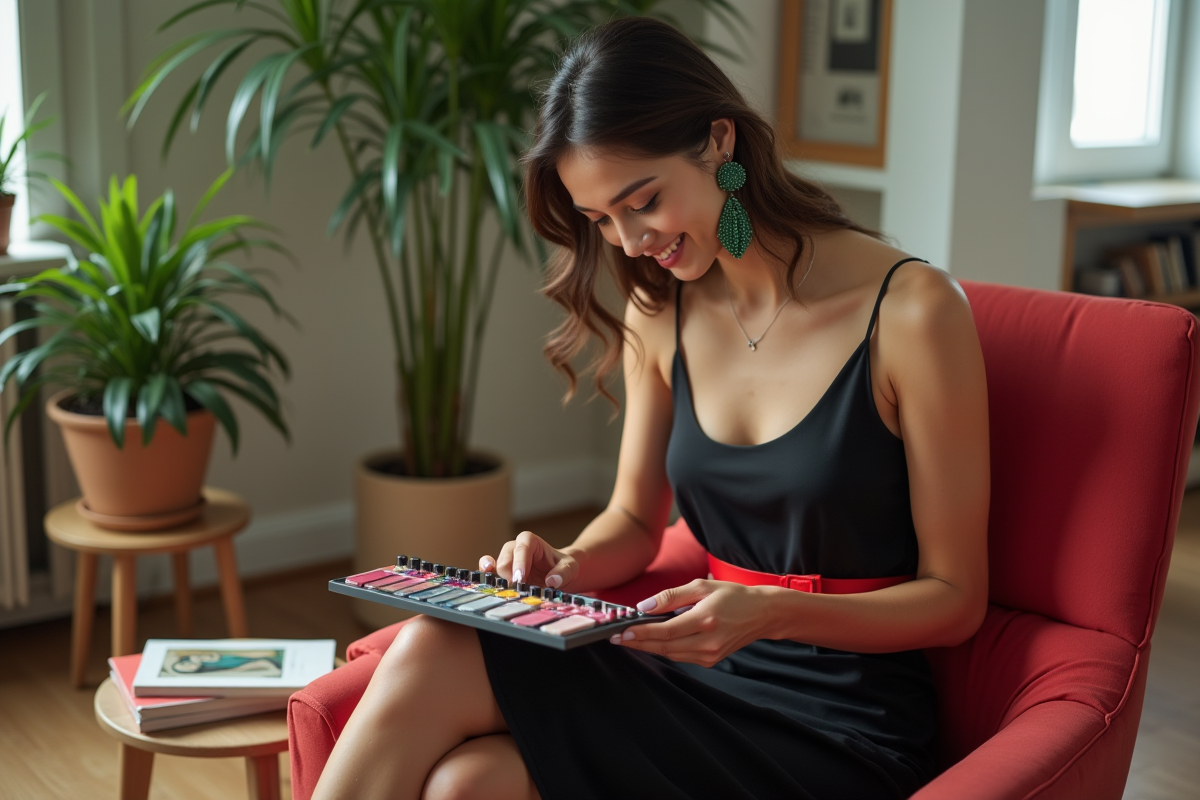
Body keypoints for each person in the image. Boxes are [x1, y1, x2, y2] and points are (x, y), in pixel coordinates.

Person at [314, 16, 989, 800]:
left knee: (439, 649)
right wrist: (563, 565)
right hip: (696, 677)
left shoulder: (913, 313)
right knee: (468, 785)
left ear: (719, 142)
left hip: (846, 724)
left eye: (643, 201)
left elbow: (956, 600)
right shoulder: (660, 311)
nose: (630, 243)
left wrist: (767, 613)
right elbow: (636, 520)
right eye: (601, 220)